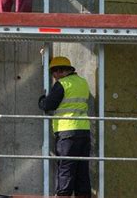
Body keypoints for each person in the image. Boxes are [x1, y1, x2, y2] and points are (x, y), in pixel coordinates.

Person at [39, 56, 91, 197]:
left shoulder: (62, 84)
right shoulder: (83, 82)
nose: (54, 76)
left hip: (67, 131)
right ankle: (83, 195)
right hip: (84, 131)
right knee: (82, 169)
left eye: (53, 73)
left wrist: (42, 99)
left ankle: (63, 195)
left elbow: (48, 106)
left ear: (59, 71)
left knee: (66, 166)